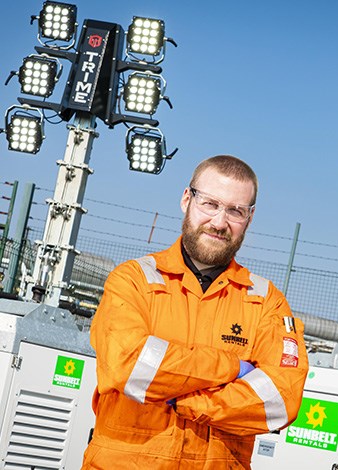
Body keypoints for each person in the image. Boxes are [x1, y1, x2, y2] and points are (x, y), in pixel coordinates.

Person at [81, 155, 309, 469]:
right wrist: (232, 367)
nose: (219, 222)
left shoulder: (267, 301)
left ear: (250, 219)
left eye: (235, 211)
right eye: (210, 204)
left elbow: (279, 401)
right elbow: (131, 367)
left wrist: (186, 400)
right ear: (186, 199)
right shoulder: (134, 279)